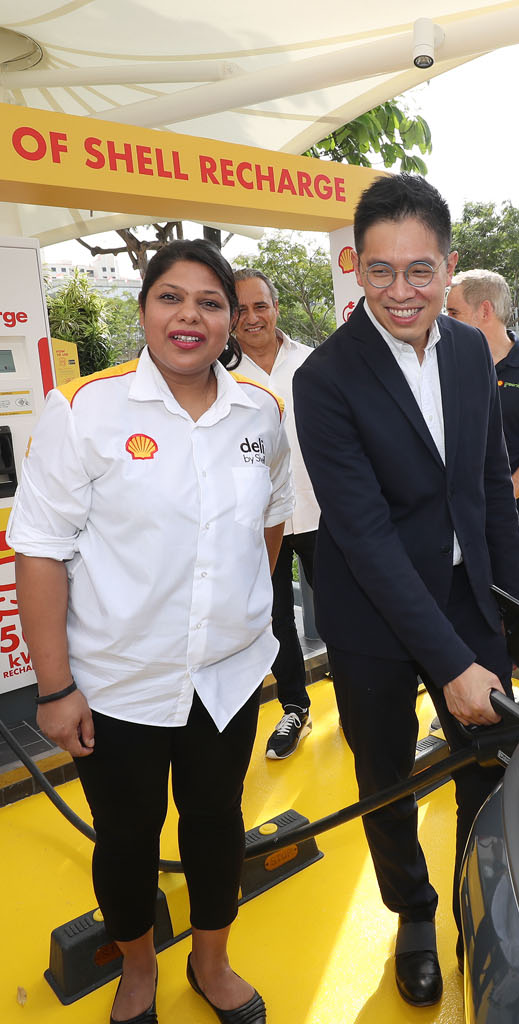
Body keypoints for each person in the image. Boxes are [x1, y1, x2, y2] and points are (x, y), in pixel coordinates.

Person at [8, 239, 291, 1024]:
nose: (189, 316)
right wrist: (56, 687)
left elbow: (268, 528)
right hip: (117, 683)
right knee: (126, 838)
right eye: (171, 297)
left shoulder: (260, 412)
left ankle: (211, 961)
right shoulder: (84, 409)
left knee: (215, 821)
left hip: (226, 678)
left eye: (210, 302)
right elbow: (39, 551)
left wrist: (236, 616)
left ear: (232, 321)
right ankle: (138, 970)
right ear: (142, 309)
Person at [294, 173, 519, 1008]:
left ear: (449, 266)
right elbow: (362, 534)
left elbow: (489, 483)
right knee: (386, 776)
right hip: (374, 621)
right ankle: (416, 914)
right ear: (356, 268)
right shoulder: (325, 378)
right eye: (382, 270)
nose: (402, 291)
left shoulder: (469, 350)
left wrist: (505, 609)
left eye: (420, 271)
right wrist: (449, 661)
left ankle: (477, 906)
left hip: (470, 597)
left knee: (486, 769)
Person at [230, 268, 321, 760]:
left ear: (276, 307)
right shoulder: (219, 376)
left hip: (321, 512)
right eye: (239, 308)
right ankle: (295, 707)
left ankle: (358, 703)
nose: (251, 317)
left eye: (259, 306)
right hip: (258, 522)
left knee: (346, 614)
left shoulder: (314, 363)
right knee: (274, 617)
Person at [445, 268, 519, 608]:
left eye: (453, 312)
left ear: (484, 310)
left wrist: (494, 502)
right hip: (460, 526)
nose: (444, 320)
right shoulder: (446, 369)